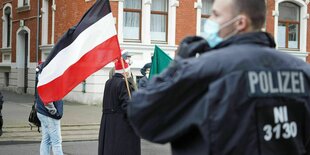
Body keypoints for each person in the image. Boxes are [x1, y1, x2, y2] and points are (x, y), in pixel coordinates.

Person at [127, 0, 310, 154]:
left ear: (240, 23)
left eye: (215, 14)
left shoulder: (206, 69)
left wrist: (177, 66)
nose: (209, 20)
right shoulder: (302, 72)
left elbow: (143, 113)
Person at [98, 58, 140, 155]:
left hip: (108, 121)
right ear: (125, 72)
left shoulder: (108, 82)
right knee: (121, 148)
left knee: (110, 147)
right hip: (119, 122)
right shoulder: (122, 83)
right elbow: (126, 105)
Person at [35, 65, 64, 155]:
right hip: (49, 115)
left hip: (42, 112)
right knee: (56, 142)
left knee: (46, 139)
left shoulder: (41, 77)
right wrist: (54, 112)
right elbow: (47, 100)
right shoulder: (49, 78)